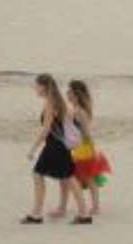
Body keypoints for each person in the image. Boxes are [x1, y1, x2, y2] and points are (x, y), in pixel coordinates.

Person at [22, 74, 91, 225]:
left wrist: (33, 148)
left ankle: (36, 214)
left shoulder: (50, 103)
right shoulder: (58, 101)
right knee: (68, 177)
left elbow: (46, 129)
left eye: (36, 86)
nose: (35, 88)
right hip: (61, 146)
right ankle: (84, 214)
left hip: (54, 147)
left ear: (44, 87)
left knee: (38, 174)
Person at [66, 80, 111, 217]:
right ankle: (89, 206)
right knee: (83, 178)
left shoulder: (80, 112)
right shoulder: (74, 110)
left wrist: (92, 150)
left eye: (69, 92)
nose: (67, 94)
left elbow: (86, 133)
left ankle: (95, 207)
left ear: (76, 95)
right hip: (78, 147)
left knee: (89, 178)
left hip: (84, 147)